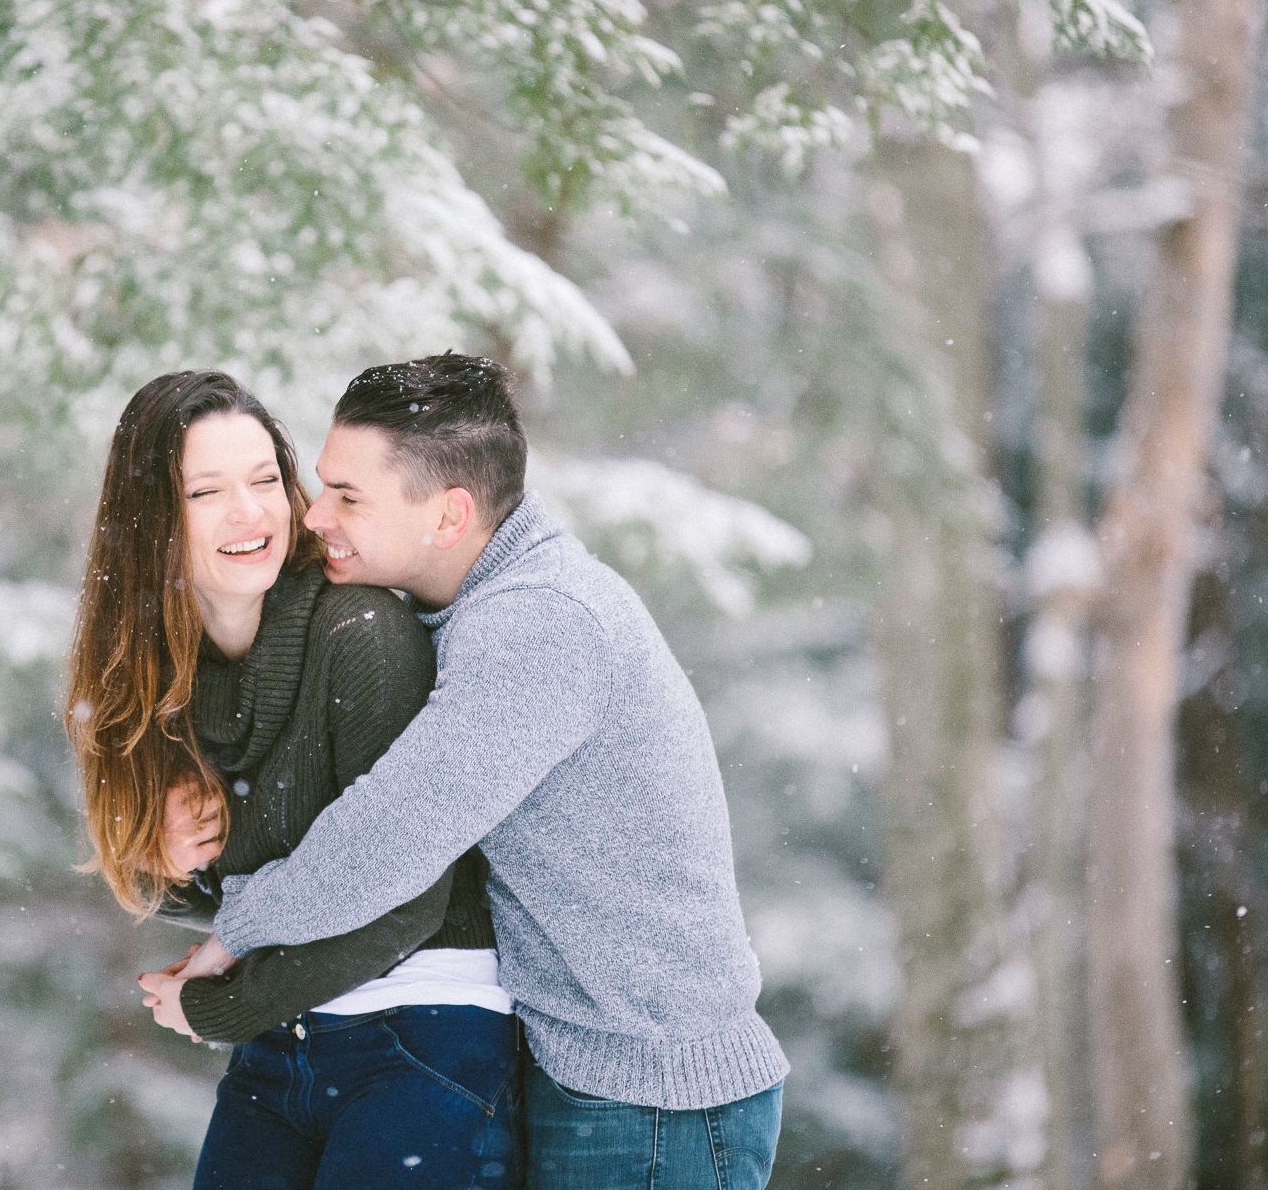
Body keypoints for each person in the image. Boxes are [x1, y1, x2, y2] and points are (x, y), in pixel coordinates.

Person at [190, 354, 788, 1190]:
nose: (316, 512)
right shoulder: (469, 608)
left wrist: (237, 928)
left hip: (652, 1101)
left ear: (449, 514)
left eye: (348, 496)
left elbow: (391, 838)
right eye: (324, 484)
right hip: (585, 1071)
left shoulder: (540, 624)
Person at [64, 370, 522, 1190]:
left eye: (265, 479)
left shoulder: (363, 632)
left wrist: (223, 1004)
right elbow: (250, 891)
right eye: (207, 491)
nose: (250, 512)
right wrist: (169, 861)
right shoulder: (160, 678)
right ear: (152, 523)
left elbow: (409, 895)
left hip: (423, 1031)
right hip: (286, 1043)